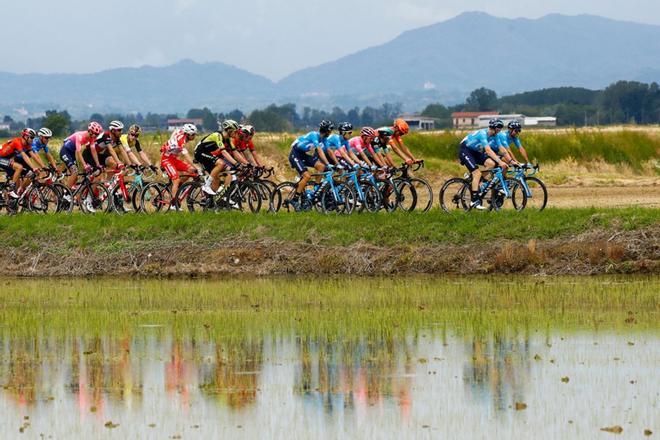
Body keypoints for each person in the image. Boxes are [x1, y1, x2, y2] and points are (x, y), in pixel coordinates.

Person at [458, 118, 510, 210]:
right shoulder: (483, 133)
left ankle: (479, 183)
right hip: (465, 150)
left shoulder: (495, 136)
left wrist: (510, 161)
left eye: (500, 129)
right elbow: (488, 150)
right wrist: (500, 162)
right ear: (493, 127)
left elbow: (502, 148)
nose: (499, 131)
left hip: (476, 152)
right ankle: (474, 201)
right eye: (498, 128)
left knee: (491, 163)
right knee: (477, 173)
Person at [288, 120, 334, 208]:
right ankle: (294, 199)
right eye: (330, 130)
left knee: (321, 166)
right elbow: (320, 150)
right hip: (295, 154)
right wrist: (328, 163)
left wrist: (335, 164)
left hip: (303, 155)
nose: (331, 132)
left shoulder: (323, 139)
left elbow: (329, 150)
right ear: (326, 130)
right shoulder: (314, 135)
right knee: (307, 176)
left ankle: (316, 190)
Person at [194, 120, 241, 196]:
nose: (236, 134)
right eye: (235, 132)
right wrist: (236, 163)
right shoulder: (218, 135)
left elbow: (235, 152)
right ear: (229, 130)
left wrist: (245, 164)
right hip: (199, 152)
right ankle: (206, 186)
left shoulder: (228, 139)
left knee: (220, 177)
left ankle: (212, 201)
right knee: (221, 163)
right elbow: (224, 152)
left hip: (207, 154)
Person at [160, 123, 198, 209]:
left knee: (191, 171)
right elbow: (186, 155)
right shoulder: (182, 140)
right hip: (166, 160)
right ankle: (174, 205)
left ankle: (179, 187)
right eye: (194, 134)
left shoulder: (182, 134)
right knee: (176, 179)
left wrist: (194, 167)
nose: (195, 136)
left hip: (174, 159)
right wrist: (195, 165)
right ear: (188, 134)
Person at [59, 122, 104, 193]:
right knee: (75, 171)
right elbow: (79, 152)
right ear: (90, 131)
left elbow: (93, 151)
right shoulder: (79, 136)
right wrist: (85, 165)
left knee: (76, 177)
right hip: (65, 151)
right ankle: (66, 193)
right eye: (95, 134)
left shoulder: (91, 139)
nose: (95, 136)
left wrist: (98, 164)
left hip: (71, 152)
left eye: (97, 134)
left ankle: (68, 191)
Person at [0, 128, 40, 198]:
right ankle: (11, 190)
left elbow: (33, 155)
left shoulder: (27, 144)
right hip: (1, 158)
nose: (33, 139)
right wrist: (33, 168)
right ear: (25, 136)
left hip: (7, 158)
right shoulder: (17, 142)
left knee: (21, 175)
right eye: (31, 137)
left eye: (34, 138)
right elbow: (24, 156)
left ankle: (13, 200)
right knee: (19, 167)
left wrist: (41, 166)